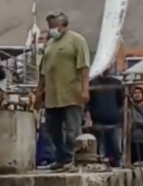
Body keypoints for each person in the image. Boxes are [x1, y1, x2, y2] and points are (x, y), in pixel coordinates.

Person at [36, 13, 91, 169]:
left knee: (72, 129)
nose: (52, 29)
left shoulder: (77, 40)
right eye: (50, 26)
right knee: (52, 128)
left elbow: (84, 67)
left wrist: (85, 89)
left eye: (55, 26)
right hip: (52, 96)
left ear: (64, 24)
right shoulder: (50, 44)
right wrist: (39, 91)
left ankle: (76, 159)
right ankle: (62, 158)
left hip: (71, 93)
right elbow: (43, 70)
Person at [87, 69, 124, 166]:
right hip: (98, 120)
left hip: (114, 120)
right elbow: (88, 103)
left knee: (116, 147)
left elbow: (121, 102)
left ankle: (117, 162)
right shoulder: (92, 83)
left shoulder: (117, 83)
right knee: (99, 148)